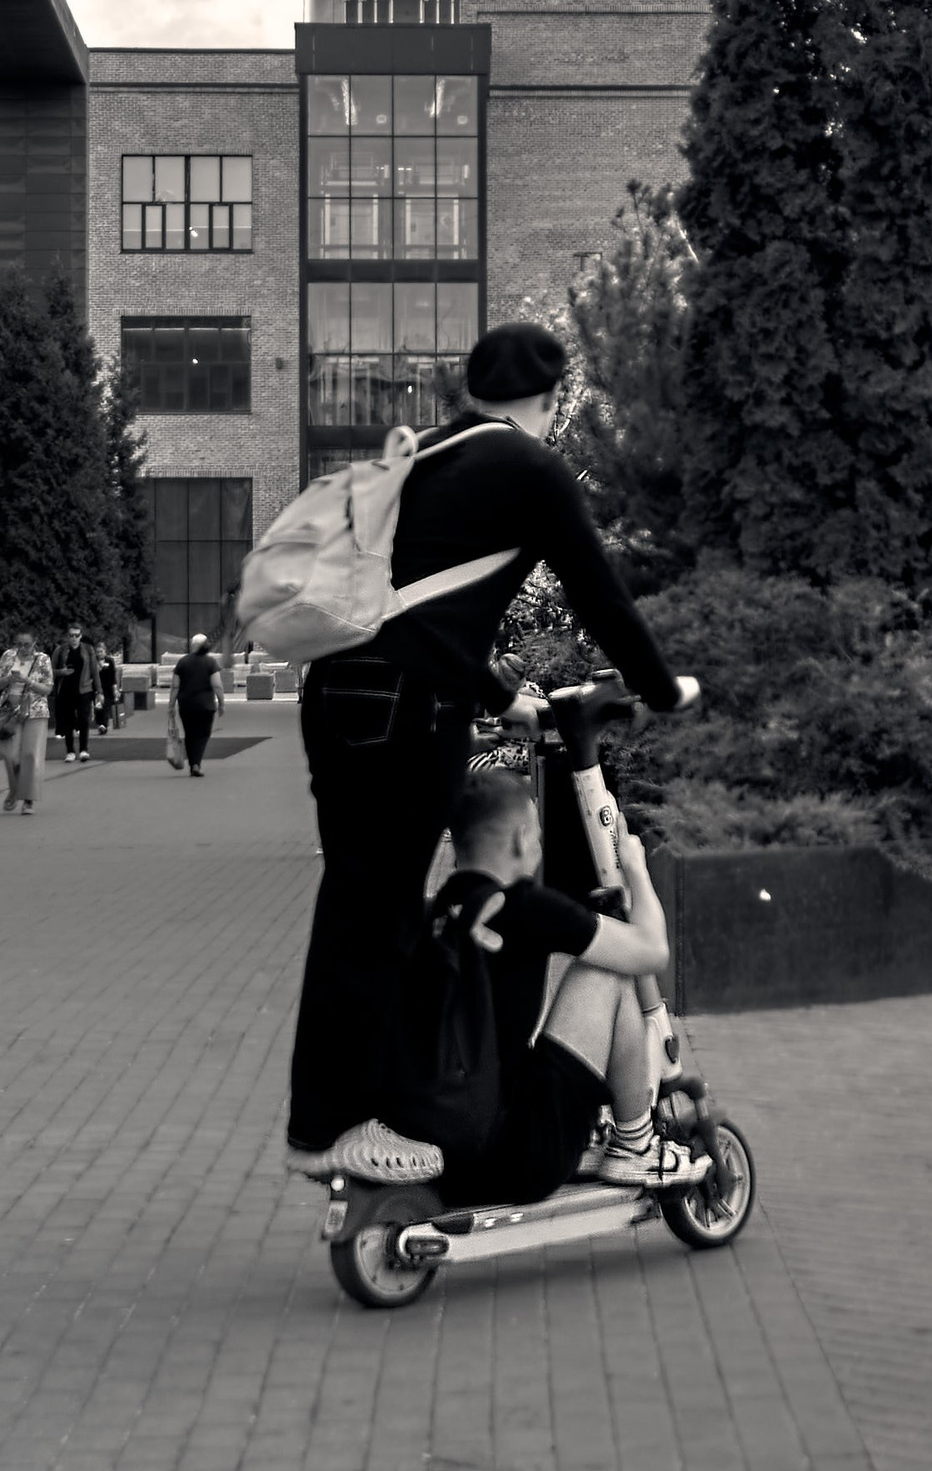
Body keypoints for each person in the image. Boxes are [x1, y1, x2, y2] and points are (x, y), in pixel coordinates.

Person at [283, 323, 695, 1185]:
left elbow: (415, 603)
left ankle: (371, 1113)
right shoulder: (530, 468)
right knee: (374, 909)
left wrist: (501, 694)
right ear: (551, 401)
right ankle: (331, 1125)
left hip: (340, 696)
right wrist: (660, 689)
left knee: (366, 902)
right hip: (402, 710)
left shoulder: (429, 454)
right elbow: (601, 596)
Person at [387, 769, 708, 1204]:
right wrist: (635, 868)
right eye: (537, 835)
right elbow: (651, 952)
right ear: (521, 840)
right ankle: (636, 1144)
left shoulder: (434, 914)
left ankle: (601, 1131)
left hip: (444, 1160)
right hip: (519, 1160)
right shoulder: (527, 908)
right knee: (607, 973)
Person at [0, 630, 54, 815]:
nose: (23, 648)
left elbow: (48, 689)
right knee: (10, 755)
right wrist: (10, 678)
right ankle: (14, 789)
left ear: (35, 643)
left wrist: (28, 681)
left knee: (31, 756)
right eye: (19, 644)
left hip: (35, 711)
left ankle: (28, 800)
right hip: (10, 712)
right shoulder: (8, 656)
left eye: (27, 644)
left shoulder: (43, 660)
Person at [172, 634, 222, 776]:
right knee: (203, 734)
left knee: (189, 734)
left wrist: (171, 705)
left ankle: (193, 763)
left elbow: (175, 686)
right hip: (206, 706)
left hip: (186, 705)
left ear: (192, 645)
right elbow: (217, 685)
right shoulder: (211, 662)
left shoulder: (182, 662)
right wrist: (222, 702)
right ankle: (196, 764)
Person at [54, 622, 101, 763]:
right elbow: (49, 671)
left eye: (77, 635)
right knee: (68, 721)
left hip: (84, 689)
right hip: (66, 689)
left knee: (84, 720)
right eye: (71, 635)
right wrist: (61, 672)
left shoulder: (88, 649)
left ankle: (83, 750)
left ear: (81, 636)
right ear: (67, 636)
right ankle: (70, 751)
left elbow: (94, 671)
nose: (74, 638)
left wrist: (99, 691)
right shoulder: (60, 650)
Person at [97, 649, 122, 732]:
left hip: (108, 687)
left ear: (105, 652)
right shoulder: (93, 661)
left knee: (106, 705)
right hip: (97, 687)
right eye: (98, 652)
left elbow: (112, 675)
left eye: (101, 651)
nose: (99, 654)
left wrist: (115, 689)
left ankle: (104, 725)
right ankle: (100, 723)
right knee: (98, 706)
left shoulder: (109, 660)